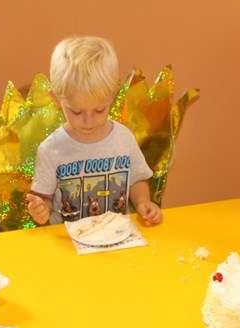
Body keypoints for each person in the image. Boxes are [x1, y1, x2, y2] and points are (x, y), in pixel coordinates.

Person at [25, 35, 162, 226]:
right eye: (76, 111)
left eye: (99, 110)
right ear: (56, 99)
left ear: (113, 96)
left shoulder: (124, 138)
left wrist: (143, 202)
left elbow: (137, 180)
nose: (88, 122)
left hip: (117, 233)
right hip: (69, 238)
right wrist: (41, 210)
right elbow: (44, 198)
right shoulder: (50, 149)